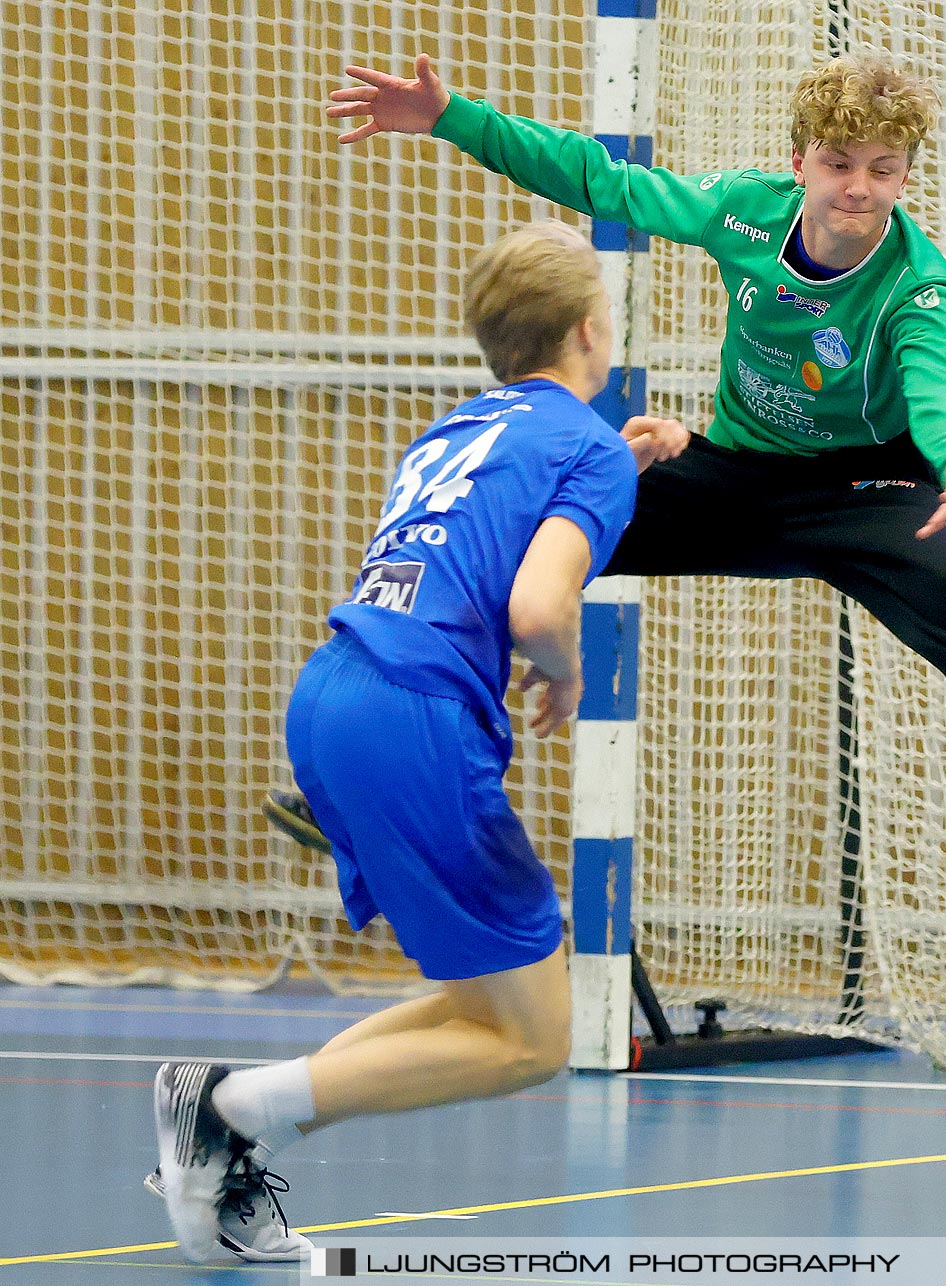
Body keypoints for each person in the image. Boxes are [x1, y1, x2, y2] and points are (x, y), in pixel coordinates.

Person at [291, 50, 946, 953]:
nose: (858, 189)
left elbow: (941, 376)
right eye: (839, 164)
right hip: (733, 475)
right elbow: (603, 180)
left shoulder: (917, 282)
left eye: (882, 172)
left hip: (871, 492)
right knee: (515, 538)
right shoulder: (745, 210)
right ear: (801, 163)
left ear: (905, 177)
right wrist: (454, 118)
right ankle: (361, 776)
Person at [149, 222, 688, 1262]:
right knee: (538, 1038)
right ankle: (224, 1107)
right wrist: (568, 674)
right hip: (416, 715)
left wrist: (603, 467)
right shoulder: (583, 444)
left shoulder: (453, 429)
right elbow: (537, 603)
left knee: (488, 997)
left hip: (333, 689)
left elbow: (486, 527)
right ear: (592, 331)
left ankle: (225, 1139)